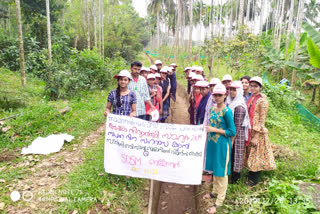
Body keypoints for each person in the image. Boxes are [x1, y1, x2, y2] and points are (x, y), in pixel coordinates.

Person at [203, 84, 236, 213]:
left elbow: (232, 131)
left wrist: (214, 130)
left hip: (222, 145)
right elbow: (210, 124)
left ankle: (219, 201)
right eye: (215, 95)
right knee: (215, 168)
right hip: (212, 144)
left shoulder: (227, 112)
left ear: (225, 95)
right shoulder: (212, 109)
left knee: (221, 171)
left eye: (219, 95)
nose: (217, 97)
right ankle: (214, 192)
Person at [244, 76, 276, 186]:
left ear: (260, 87)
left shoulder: (263, 101)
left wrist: (256, 136)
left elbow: (262, 120)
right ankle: (250, 176)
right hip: (250, 130)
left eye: (256, 86)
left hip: (257, 132)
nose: (253, 88)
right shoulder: (252, 97)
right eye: (251, 86)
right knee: (251, 154)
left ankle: (253, 181)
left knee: (256, 155)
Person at [226, 81, 250, 184]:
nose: (231, 92)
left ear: (239, 91)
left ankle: (235, 180)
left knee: (237, 156)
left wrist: (232, 140)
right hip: (232, 134)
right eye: (230, 89)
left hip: (237, 135)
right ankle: (231, 176)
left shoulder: (239, 107)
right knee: (232, 156)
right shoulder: (231, 103)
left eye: (234, 90)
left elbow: (236, 125)